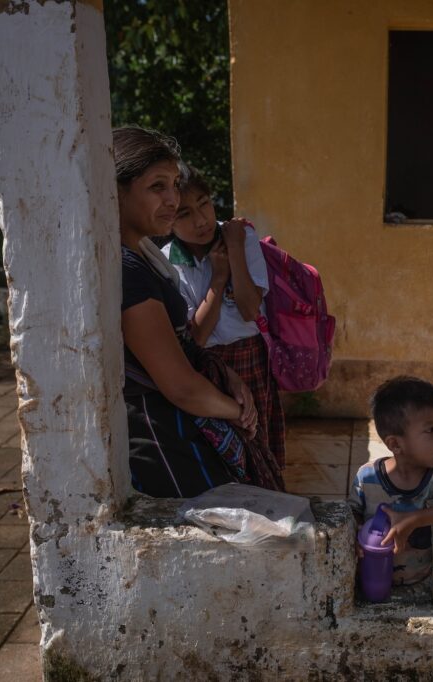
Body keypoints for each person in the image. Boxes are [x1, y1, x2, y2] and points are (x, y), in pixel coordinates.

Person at [114, 126, 284, 496]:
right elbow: (181, 386)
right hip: (165, 435)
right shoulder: (130, 269)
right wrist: (237, 411)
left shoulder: (142, 258)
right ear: (117, 190)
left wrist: (230, 380)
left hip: (195, 407)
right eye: (158, 186)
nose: (172, 199)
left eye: (174, 185)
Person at [162, 165, 285, 469]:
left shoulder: (241, 237)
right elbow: (198, 338)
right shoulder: (169, 263)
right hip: (205, 366)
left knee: (257, 440)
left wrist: (234, 248)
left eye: (204, 203)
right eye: (184, 214)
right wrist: (218, 279)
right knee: (219, 447)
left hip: (249, 357)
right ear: (168, 223)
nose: (201, 220)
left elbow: (249, 309)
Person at [348, 377, 433, 585]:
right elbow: (350, 514)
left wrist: (413, 519)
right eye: (430, 430)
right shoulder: (367, 477)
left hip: (423, 585)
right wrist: (355, 534)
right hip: (372, 582)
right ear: (395, 444)